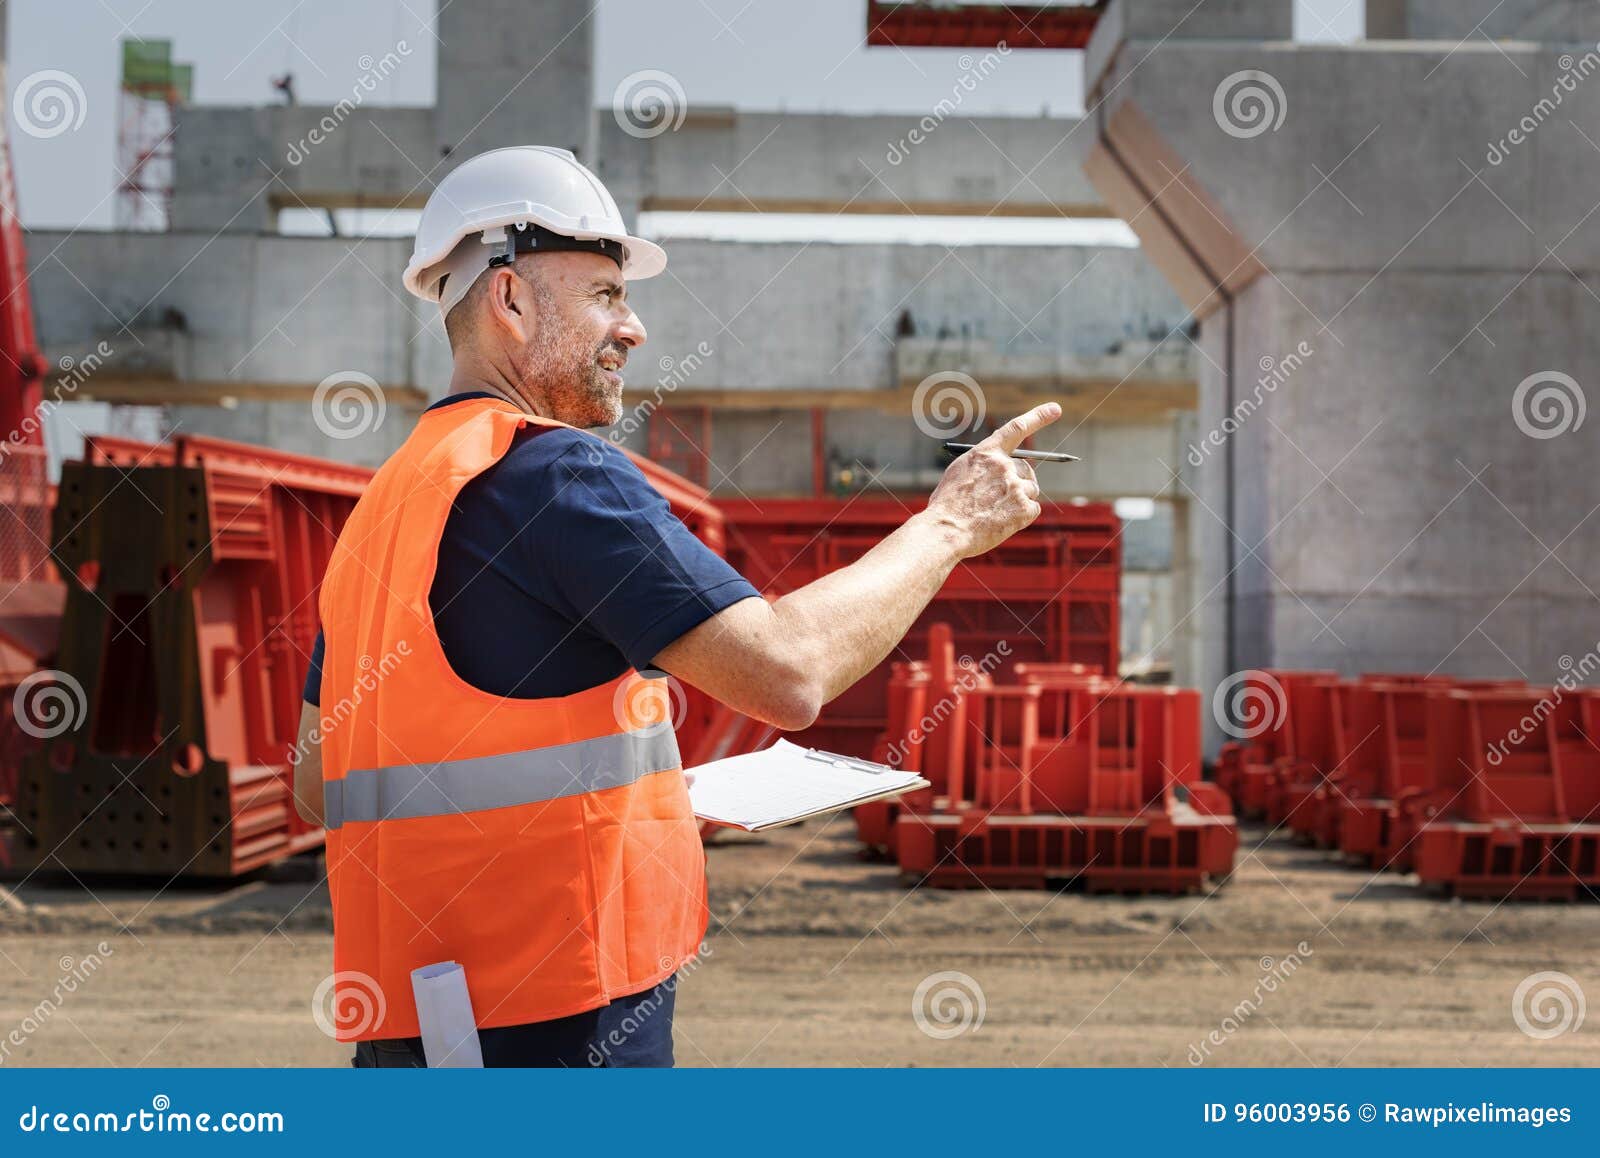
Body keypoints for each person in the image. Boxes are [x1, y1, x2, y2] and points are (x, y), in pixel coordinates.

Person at [292, 146, 1059, 1068]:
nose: (635, 328)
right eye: (607, 293)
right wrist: (950, 525)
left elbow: (318, 784)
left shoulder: (386, 504)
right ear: (510, 301)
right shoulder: (555, 474)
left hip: (419, 1026)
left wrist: (621, 796)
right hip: (562, 1018)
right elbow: (789, 671)